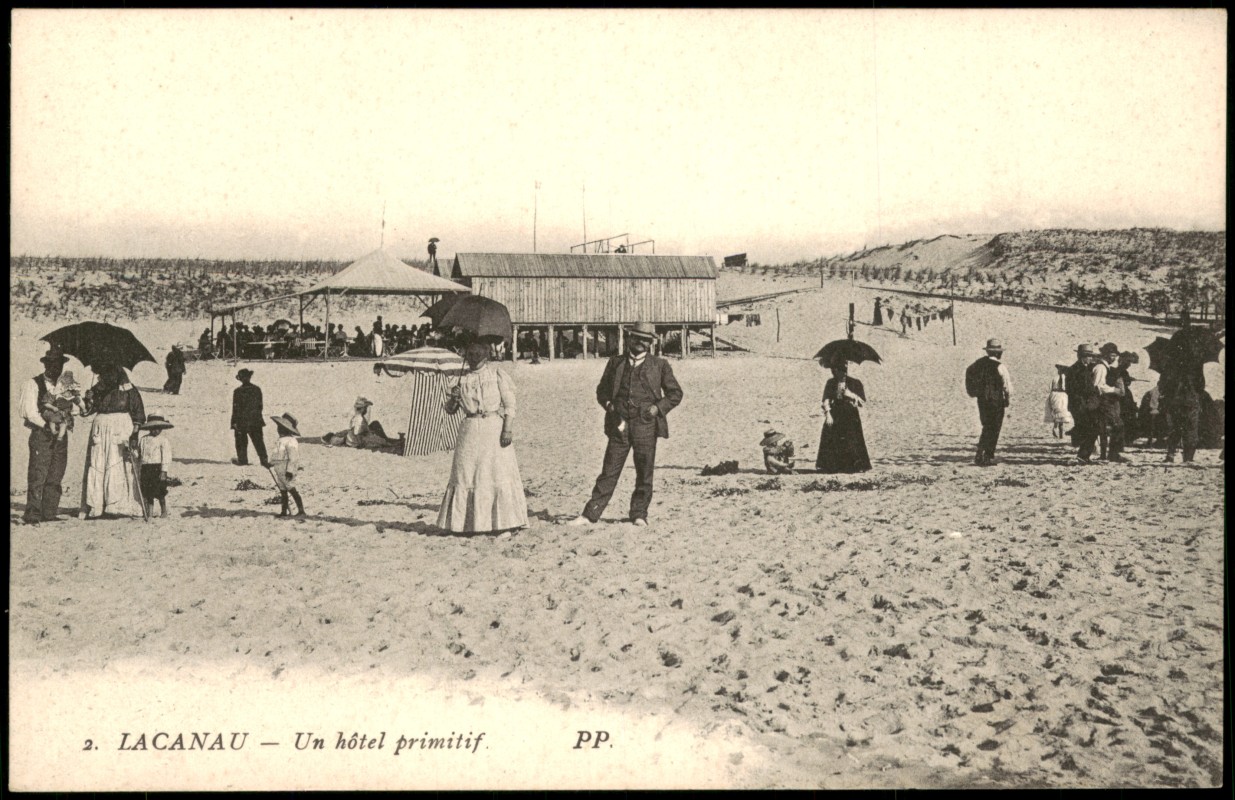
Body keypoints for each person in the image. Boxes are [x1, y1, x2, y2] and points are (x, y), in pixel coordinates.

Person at [568, 322, 684, 527]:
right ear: (629, 338)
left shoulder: (660, 365)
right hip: (619, 425)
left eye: (645, 339)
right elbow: (601, 391)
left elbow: (675, 394)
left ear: (650, 343)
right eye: (637, 337)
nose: (640, 342)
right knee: (609, 469)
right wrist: (610, 405)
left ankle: (639, 514)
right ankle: (590, 514)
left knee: (644, 471)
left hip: (646, 425)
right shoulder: (616, 363)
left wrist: (657, 409)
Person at [437, 341, 528, 534]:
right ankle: (468, 524)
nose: (473, 358)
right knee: (467, 474)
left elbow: (510, 405)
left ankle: (504, 523)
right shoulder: (460, 379)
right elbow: (450, 411)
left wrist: (507, 430)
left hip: (493, 428)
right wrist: (453, 398)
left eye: (478, 354)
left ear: (486, 355)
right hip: (469, 430)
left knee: (495, 473)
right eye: (470, 354)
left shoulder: (496, 376)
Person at [81, 362, 147, 518]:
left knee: (117, 462)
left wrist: (134, 436)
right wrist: (88, 399)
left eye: (110, 373)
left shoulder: (129, 391)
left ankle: (118, 504)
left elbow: (138, 415)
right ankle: (97, 504)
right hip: (101, 430)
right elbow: (87, 411)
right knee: (98, 464)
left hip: (121, 428)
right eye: (104, 374)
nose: (106, 377)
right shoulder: (98, 389)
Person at [18, 347, 74, 524]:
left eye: (59, 365)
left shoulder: (65, 387)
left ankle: (49, 512)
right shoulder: (32, 384)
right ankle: (33, 513)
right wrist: (46, 425)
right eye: (52, 364)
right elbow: (28, 412)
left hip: (60, 435)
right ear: (46, 365)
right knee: (38, 474)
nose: (56, 368)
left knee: (56, 473)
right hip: (42, 434)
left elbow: (75, 408)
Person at [816, 360, 872, 473]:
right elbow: (825, 400)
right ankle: (832, 466)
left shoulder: (855, 383)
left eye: (839, 370)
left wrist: (850, 395)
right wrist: (828, 414)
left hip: (851, 415)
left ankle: (854, 465)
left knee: (852, 438)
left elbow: (862, 402)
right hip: (835, 413)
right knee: (832, 437)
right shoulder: (831, 383)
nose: (836, 372)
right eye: (834, 370)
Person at [965, 338, 1013, 466]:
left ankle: (980, 452)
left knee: (986, 426)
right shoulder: (1000, 366)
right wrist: (1007, 398)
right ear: (998, 353)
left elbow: (969, 373)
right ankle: (987, 455)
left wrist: (974, 392)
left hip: (982, 400)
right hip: (996, 401)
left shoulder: (978, 364)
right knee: (994, 427)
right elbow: (1007, 386)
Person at [1065, 344, 1102, 462]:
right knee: (1091, 429)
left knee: (1089, 429)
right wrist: (1094, 392)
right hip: (1081, 405)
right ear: (1082, 356)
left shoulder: (1082, 368)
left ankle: (1084, 455)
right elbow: (1076, 389)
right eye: (1089, 356)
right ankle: (1083, 455)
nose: (1091, 358)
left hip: (1082, 404)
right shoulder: (1076, 370)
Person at [1161, 362, 1204, 463]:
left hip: (1174, 401)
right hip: (1191, 401)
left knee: (1175, 429)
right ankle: (1188, 457)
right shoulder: (1196, 364)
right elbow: (1201, 385)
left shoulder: (1169, 364)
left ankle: (1170, 454)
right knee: (1191, 430)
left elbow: (1163, 383)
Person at [1093, 342, 1128, 463]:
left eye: (1115, 356)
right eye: (1112, 355)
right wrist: (1114, 389)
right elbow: (1098, 386)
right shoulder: (1101, 368)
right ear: (1106, 355)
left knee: (1105, 429)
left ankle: (1106, 454)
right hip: (1103, 402)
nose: (1114, 358)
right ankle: (1112, 454)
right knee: (1117, 426)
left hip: (1103, 402)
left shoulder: (1103, 366)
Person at [324, 397, 400, 450]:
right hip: (359, 440)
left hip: (355, 439)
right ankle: (390, 442)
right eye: (366, 407)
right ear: (363, 408)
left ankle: (388, 440)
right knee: (380, 440)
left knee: (375, 424)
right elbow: (357, 432)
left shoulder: (356, 417)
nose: (367, 409)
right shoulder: (359, 419)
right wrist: (366, 431)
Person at [268, 412, 305, 517]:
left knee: (291, 489)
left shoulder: (291, 441)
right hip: (279, 469)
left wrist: (290, 471)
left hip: (286, 469)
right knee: (283, 490)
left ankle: (301, 510)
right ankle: (284, 511)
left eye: (281, 427)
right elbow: (277, 456)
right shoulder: (280, 441)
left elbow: (293, 458)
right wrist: (270, 463)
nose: (278, 429)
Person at [230, 368, 269, 467]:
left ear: (240, 379)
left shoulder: (238, 391)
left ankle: (243, 460)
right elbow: (260, 406)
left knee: (241, 442)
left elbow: (235, 408)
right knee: (258, 441)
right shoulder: (257, 389)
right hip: (255, 419)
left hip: (241, 421)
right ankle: (264, 460)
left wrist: (234, 422)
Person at [137, 414, 174, 518]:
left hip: (157, 468)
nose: (156, 431)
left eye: (158, 428)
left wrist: (164, 471)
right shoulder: (143, 439)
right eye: (153, 428)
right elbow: (139, 454)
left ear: (161, 429)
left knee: (160, 491)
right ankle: (150, 512)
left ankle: (164, 511)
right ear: (149, 428)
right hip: (145, 468)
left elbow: (166, 456)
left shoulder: (163, 440)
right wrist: (133, 453)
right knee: (148, 492)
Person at [41, 369, 85, 440]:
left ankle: (59, 437)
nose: (67, 392)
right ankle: (53, 432)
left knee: (63, 425)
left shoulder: (72, 395)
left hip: (64, 415)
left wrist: (83, 409)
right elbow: (46, 403)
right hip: (54, 413)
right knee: (52, 421)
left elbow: (79, 402)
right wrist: (53, 408)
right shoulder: (54, 393)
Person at [1043, 364, 1072, 439]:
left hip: (1061, 395)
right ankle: (1057, 428)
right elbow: (1049, 387)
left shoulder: (1063, 378)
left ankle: (1059, 430)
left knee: (1060, 412)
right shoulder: (1058, 378)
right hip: (1058, 395)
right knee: (1058, 411)